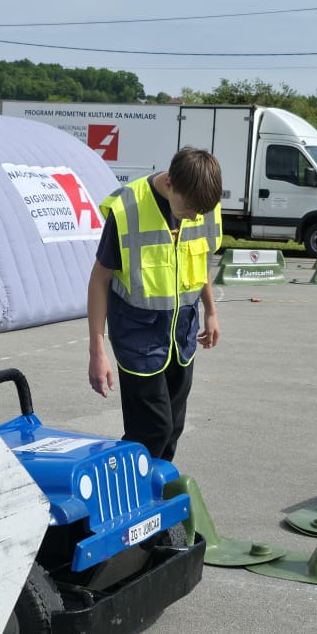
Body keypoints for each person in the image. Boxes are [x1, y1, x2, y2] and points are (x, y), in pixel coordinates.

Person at [86, 147, 223, 462]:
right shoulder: (127, 209)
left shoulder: (203, 204)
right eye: (189, 209)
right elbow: (99, 279)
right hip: (138, 339)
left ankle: (156, 487)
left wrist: (211, 311)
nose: (194, 217)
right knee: (153, 430)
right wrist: (97, 351)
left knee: (173, 429)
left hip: (182, 338)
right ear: (170, 183)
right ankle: (126, 484)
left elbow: (199, 259)